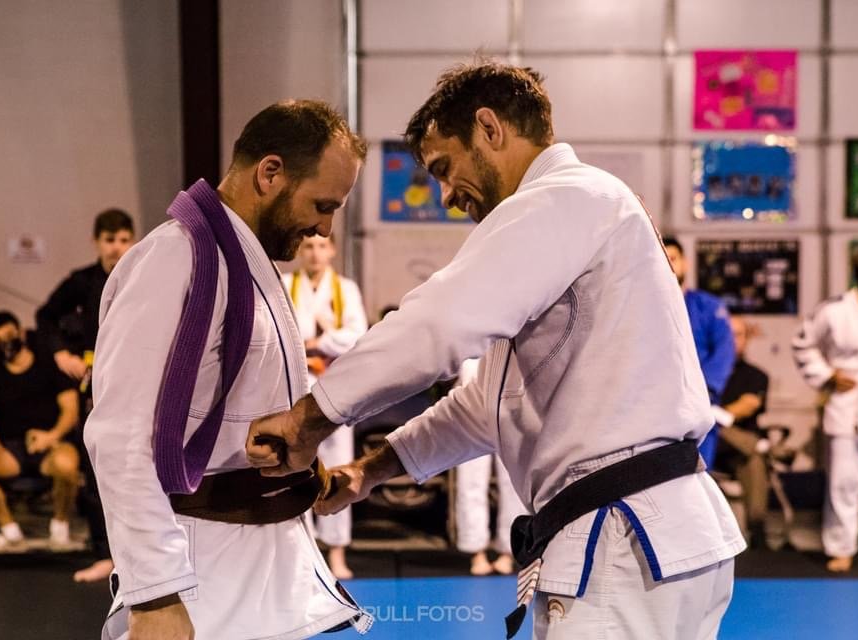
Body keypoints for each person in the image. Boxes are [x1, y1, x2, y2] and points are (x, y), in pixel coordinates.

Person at [246, 61, 744, 639]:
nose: (446, 196)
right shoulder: (582, 212)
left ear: (489, 128)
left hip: (623, 537)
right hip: (651, 533)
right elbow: (487, 404)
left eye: (445, 167)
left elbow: (437, 322)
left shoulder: (566, 197)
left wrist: (309, 418)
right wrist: (370, 470)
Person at [85, 100, 371, 640]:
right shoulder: (176, 259)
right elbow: (120, 435)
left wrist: (297, 462)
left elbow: (229, 407)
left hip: (258, 567)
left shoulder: (241, 261)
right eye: (322, 205)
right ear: (270, 173)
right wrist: (156, 594)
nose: (324, 228)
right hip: (198, 574)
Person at [36, 208, 135, 582]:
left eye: (123, 239)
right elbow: (45, 317)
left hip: (136, 381)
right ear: (96, 242)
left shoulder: (143, 275)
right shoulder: (81, 283)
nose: (116, 248)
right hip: (95, 383)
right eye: (109, 240)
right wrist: (62, 354)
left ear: (133, 240)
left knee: (139, 468)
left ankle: (141, 556)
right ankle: (105, 554)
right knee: (97, 470)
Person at [793, 241, 858, 573]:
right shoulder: (834, 310)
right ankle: (841, 547)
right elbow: (803, 344)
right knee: (844, 481)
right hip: (849, 403)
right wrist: (827, 375)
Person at [282, 233, 367, 579]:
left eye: (321, 246)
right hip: (298, 386)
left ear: (331, 250)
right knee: (296, 466)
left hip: (336, 385)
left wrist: (319, 342)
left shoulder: (345, 289)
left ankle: (337, 552)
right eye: (308, 246)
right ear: (299, 251)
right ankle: (300, 552)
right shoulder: (285, 284)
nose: (315, 253)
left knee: (337, 464)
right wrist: (309, 345)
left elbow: (358, 334)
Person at [0, 311, 81, 549]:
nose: (4, 344)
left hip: (51, 444)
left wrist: (51, 436)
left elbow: (70, 409)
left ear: (21, 333)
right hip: (10, 449)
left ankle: (60, 527)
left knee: (66, 466)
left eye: (8, 336)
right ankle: (9, 531)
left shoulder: (48, 364)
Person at [712, 317, 787, 548]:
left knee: (753, 458)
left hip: (737, 452)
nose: (732, 340)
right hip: (708, 447)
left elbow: (748, 406)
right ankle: (766, 447)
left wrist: (716, 413)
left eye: (738, 335)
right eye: (728, 334)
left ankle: (757, 528)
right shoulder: (702, 372)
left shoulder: (756, 376)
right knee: (716, 428)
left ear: (747, 339)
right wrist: (718, 416)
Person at [663, 237, 736, 466]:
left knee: (698, 470)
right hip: (658, 402)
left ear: (685, 263)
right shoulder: (643, 307)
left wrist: (703, 389)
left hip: (700, 399)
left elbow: (724, 352)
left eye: (673, 258)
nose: (668, 264)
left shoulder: (709, 307)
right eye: (662, 259)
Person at [453, 358, 526, 576]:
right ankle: (476, 551)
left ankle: (508, 550)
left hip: (511, 385)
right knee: (470, 481)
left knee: (513, 481)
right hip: (473, 376)